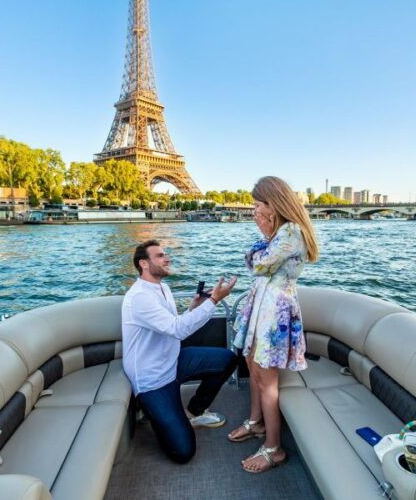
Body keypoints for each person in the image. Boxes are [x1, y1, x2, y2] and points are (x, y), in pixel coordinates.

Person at [227, 176, 319, 473]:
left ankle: (274, 447)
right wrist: (267, 234)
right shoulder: (280, 233)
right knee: (253, 367)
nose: (254, 210)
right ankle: (256, 423)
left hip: (274, 313)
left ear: (272, 204)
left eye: (257, 204)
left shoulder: (291, 232)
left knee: (267, 381)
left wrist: (264, 232)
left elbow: (258, 264)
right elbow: (256, 261)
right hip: (261, 308)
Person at [122, 239, 238, 464]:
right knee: (183, 451)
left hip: (173, 361)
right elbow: (177, 329)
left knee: (227, 359)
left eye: (165, 254)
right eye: (160, 256)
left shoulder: (161, 287)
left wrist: (192, 308)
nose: (167, 258)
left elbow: (170, 322)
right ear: (143, 264)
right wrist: (214, 299)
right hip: (153, 378)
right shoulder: (140, 297)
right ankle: (151, 409)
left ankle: (194, 412)